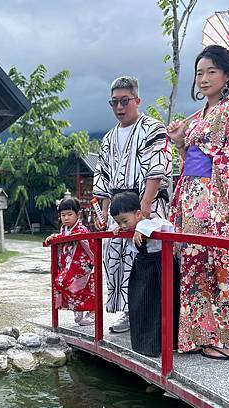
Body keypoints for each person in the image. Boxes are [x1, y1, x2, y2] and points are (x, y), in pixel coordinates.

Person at [167, 45, 229, 362]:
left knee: (224, 268)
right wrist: (179, 141)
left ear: (227, 75)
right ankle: (204, 338)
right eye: (199, 72)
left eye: (211, 72)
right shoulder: (200, 114)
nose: (203, 79)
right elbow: (189, 160)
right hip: (191, 196)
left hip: (216, 198)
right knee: (195, 269)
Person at [93, 76, 172, 333]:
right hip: (118, 210)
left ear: (137, 100)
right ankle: (127, 312)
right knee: (114, 259)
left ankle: (149, 313)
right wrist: (103, 214)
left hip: (145, 204)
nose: (119, 107)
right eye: (114, 102)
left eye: (125, 101)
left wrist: (146, 208)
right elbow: (102, 176)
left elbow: (157, 169)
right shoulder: (107, 139)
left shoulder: (153, 128)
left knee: (144, 259)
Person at [110, 192, 178, 357]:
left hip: (160, 268)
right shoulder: (131, 229)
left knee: (161, 306)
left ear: (138, 214)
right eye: (119, 222)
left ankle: (165, 344)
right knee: (139, 304)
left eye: (125, 221)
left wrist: (141, 229)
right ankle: (144, 344)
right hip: (142, 269)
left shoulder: (150, 222)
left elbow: (165, 225)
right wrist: (124, 228)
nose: (123, 226)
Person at [45, 197, 96, 326]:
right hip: (69, 265)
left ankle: (91, 312)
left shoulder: (81, 230)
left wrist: (58, 237)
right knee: (60, 281)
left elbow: (86, 243)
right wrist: (55, 237)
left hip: (81, 265)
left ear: (77, 214)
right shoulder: (64, 229)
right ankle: (77, 308)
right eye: (63, 215)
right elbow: (64, 238)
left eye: (69, 214)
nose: (66, 218)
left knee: (75, 284)